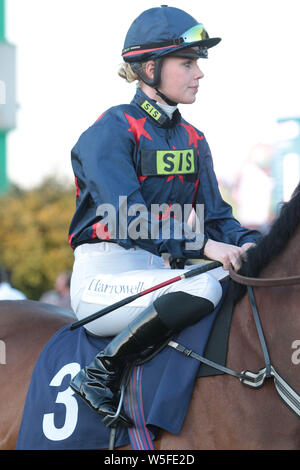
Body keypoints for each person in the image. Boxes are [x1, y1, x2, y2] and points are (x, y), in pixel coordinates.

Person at [68, 6, 261, 426]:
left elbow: (217, 219)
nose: (199, 73)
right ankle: (100, 374)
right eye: (187, 62)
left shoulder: (194, 138)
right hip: (104, 281)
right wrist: (204, 246)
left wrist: (255, 245)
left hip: (165, 276)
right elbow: (126, 218)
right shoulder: (111, 129)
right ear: (150, 68)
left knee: (242, 283)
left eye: (198, 63)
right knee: (207, 290)